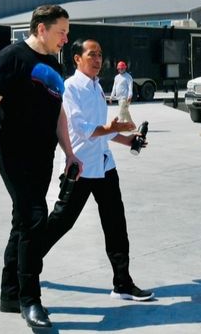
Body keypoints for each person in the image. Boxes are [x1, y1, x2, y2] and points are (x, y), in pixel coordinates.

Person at [0, 5, 81, 329]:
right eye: (61, 31)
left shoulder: (52, 63)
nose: (66, 38)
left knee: (22, 222)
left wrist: (69, 151)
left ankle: (10, 294)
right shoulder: (11, 57)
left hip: (42, 155)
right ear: (41, 29)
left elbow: (58, 111)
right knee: (35, 219)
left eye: (67, 31)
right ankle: (29, 300)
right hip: (12, 153)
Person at [43, 38, 154, 302]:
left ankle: (122, 283)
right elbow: (83, 129)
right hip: (78, 167)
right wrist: (113, 129)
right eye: (92, 54)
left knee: (116, 224)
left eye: (100, 55)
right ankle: (23, 264)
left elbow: (102, 130)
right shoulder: (69, 88)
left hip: (104, 165)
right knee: (61, 222)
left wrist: (128, 139)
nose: (97, 59)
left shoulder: (96, 87)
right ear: (77, 59)